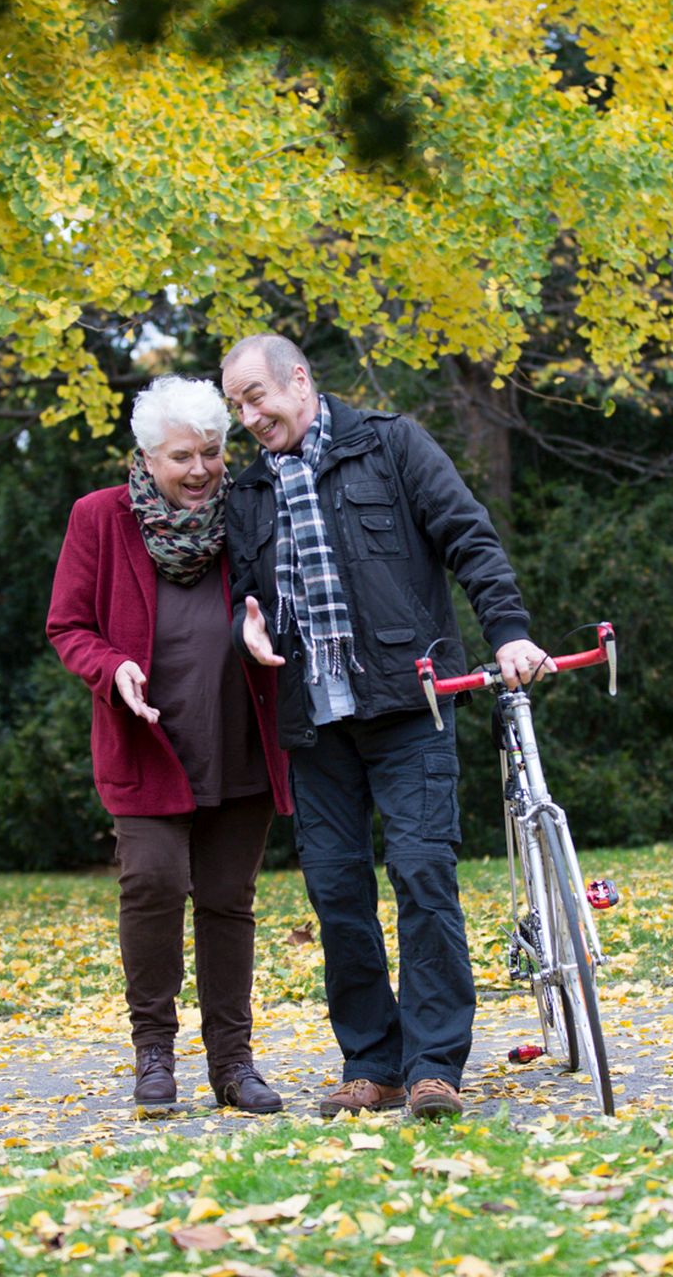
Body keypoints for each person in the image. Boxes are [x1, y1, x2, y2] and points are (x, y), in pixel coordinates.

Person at [221, 334, 554, 1120]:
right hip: (314, 725)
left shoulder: (391, 444)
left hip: (412, 707)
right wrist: (245, 623)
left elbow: (467, 535)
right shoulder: (248, 497)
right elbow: (241, 592)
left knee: (422, 874)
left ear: (298, 380)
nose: (249, 416)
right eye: (238, 406)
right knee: (338, 893)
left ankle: (434, 1063)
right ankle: (371, 1063)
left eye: (256, 397)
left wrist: (507, 630)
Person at [47, 374, 292, 1114]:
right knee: (152, 884)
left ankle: (233, 1064)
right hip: (148, 744)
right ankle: (153, 1052)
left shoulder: (249, 511)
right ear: (148, 458)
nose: (200, 471)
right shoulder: (100, 518)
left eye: (212, 453)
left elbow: (284, 597)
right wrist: (113, 666)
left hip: (239, 738)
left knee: (227, 900)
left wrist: (266, 631)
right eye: (182, 456)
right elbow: (68, 627)